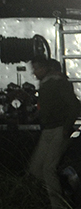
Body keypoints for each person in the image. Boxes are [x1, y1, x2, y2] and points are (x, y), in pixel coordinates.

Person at [28, 57, 80, 209]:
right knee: (36, 169)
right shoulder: (47, 84)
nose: (34, 73)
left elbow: (75, 106)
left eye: (37, 69)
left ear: (45, 68)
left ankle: (59, 205)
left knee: (47, 169)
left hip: (57, 130)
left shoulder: (57, 83)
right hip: (50, 129)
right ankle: (61, 193)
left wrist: (66, 127)